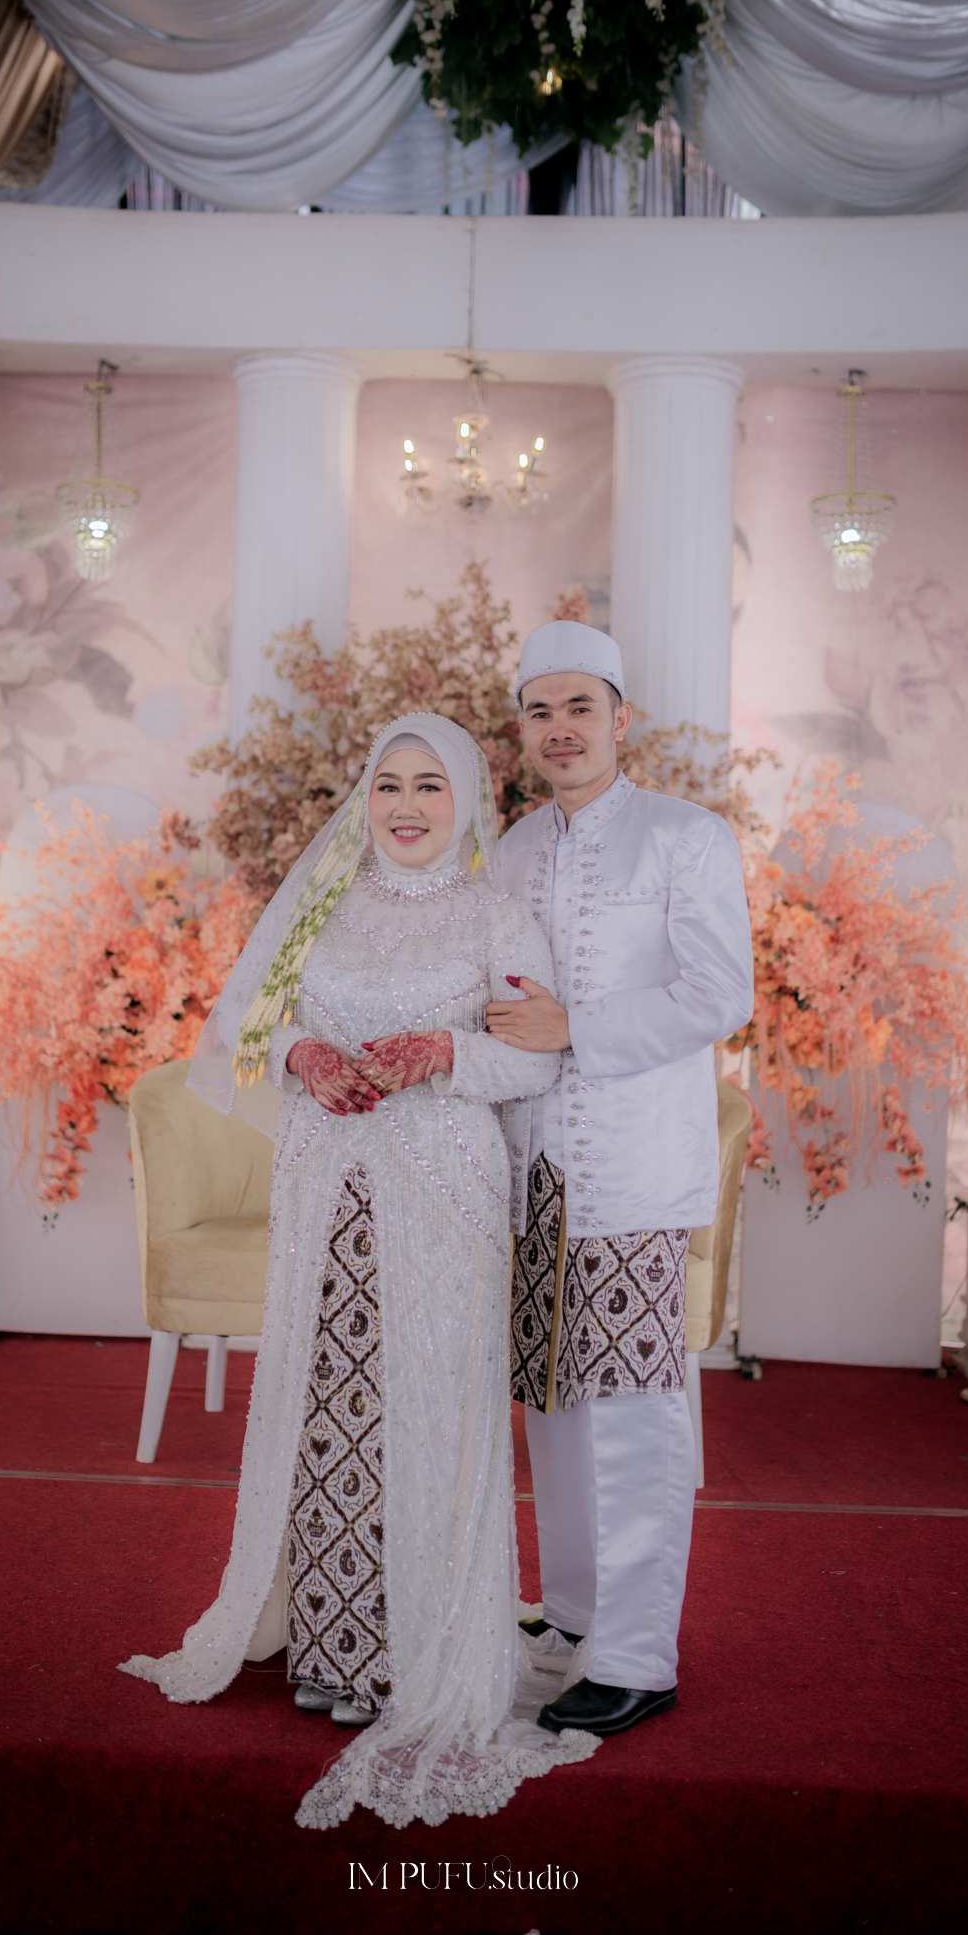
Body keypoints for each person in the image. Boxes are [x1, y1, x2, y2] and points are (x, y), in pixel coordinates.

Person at [122, 713, 599, 1829]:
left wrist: (443, 1052)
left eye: (431, 785)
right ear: (365, 797)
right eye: (389, 784)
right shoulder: (322, 901)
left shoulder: (496, 913)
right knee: (332, 1404)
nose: (407, 806)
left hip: (442, 1194)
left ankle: (413, 1654)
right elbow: (248, 1024)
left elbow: (537, 1059)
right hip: (327, 1186)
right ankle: (332, 1642)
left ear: (466, 797)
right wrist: (301, 1052)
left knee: (427, 1406)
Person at [486, 622, 755, 1739]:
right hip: (532, 1168)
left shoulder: (687, 836)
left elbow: (719, 994)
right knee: (551, 1400)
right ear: (522, 729)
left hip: (633, 1170)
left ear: (619, 719)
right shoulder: (510, 849)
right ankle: (573, 1613)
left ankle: (639, 1654)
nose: (561, 729)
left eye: (579, 708)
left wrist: (577, 1027)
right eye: (540, 711)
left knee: (635, 1412)